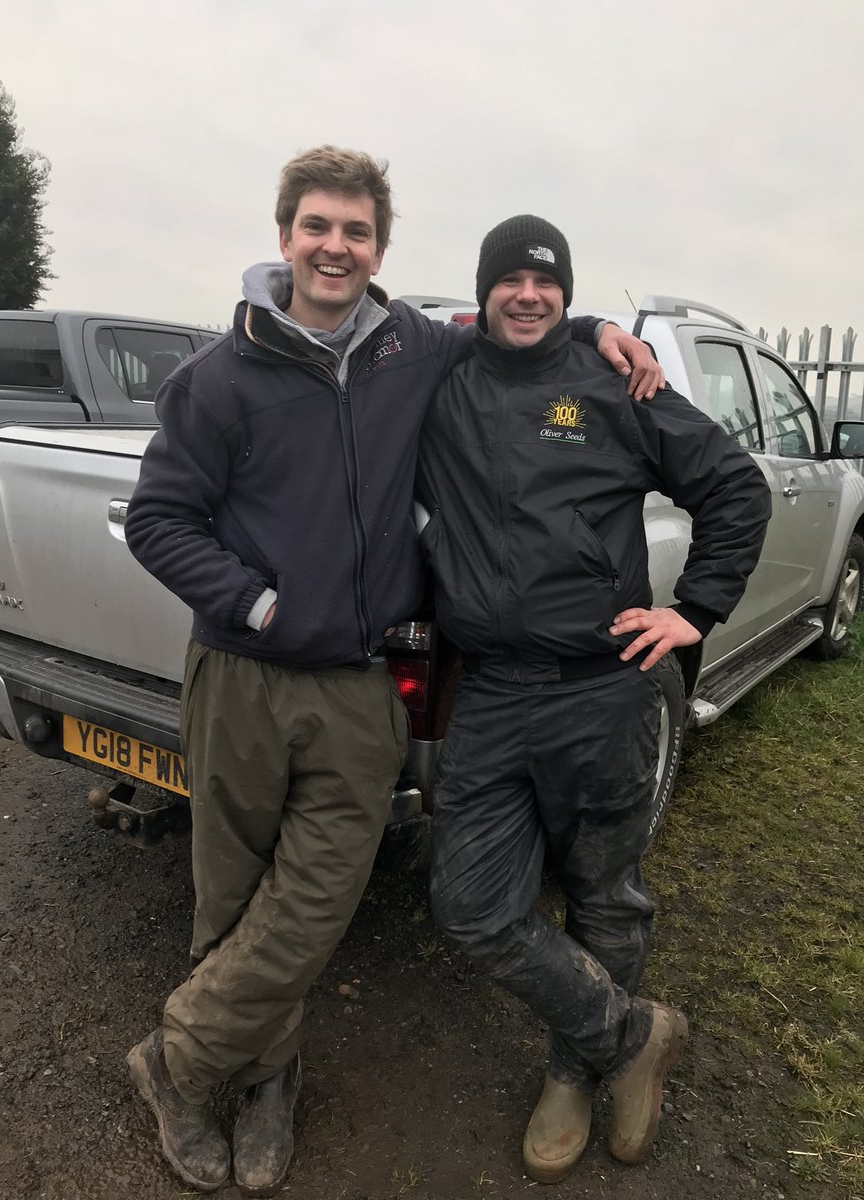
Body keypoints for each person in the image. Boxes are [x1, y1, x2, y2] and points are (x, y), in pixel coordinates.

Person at [122, 150, 664, 1196]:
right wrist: (259, 601)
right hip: (241, 674)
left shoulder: (412, 348)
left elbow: (521, 313)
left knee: (316, 900)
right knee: (233, 899)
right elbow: (159, 520)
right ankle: (262, 1081)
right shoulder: (216, 379)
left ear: (379, 250)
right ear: (283, 236)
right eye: (317, 225)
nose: (336, 246)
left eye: (357, 232)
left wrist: (597, 324)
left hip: (361, 688)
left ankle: (177, 1063)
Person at [417, 215, 772, 1183]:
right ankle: (631, 1034)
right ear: (482, 291)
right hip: (489, 693)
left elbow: (735, 489)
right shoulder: (441, 378)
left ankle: (576, 1069)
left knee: (603, 895)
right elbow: (336, 302)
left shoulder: (619, 382)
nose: (527, 295)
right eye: (510, 281)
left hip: (599, 692)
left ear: (567, 295)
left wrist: (696, 610)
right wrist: (592, 324)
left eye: (547, 283)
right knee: (471, 907)